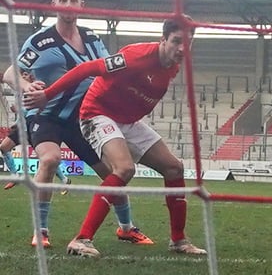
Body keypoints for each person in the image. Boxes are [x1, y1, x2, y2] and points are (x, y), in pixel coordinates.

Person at [23, 17, 206, 257]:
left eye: (188, 43)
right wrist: (47, 94)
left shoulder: (173, 64)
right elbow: (87, 69)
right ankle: (82, 239)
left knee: (174, 168)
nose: (183, 48)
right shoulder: (136, 56)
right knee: (123, 169)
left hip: (126, 120)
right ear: (163, 40)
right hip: (96, 113)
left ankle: (178, 240)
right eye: (177, 41)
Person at [4, 0, 140, 249]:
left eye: (73, 0)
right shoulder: (40, 41)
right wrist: (27, 85)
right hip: (46, 117)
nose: (68, 5)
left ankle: (127, 228)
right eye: (63, 0)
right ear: (54, 4)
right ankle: (40, 230)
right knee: (51, 159)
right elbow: (11, 72)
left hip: (82, 119)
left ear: (81, 5)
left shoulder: (92, 38)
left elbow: (108, 70)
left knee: (114, 171)